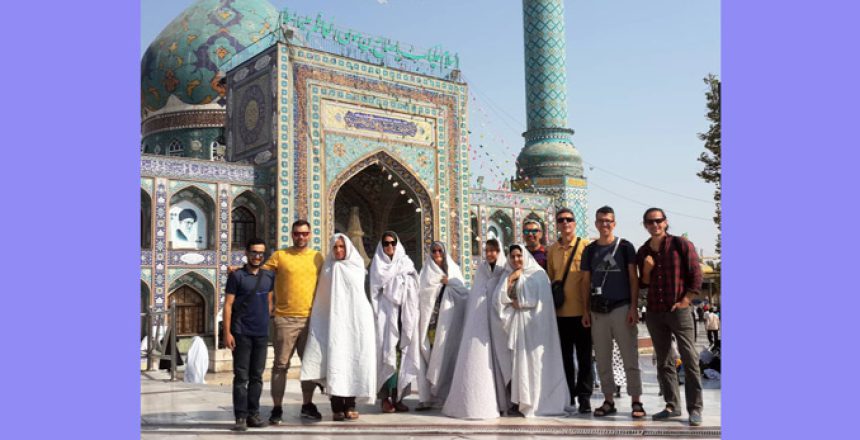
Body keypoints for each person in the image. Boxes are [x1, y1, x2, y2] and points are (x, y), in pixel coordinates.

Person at [636, 208, 704, 426]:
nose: (655, 225)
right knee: (663, 361)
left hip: (679, 310)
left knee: (690, 359)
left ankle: (695, 408)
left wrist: (685, 301)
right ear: (645, 224)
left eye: (658, 221)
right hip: (656, 312)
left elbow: (696, 274)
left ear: (665, 222)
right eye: (650, 222)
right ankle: (672, 405)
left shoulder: (680, 244)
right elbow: (643, 284)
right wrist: (646, 270)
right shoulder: (643, 251)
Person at [300, 234, 377, 421]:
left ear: (348, 248)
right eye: (335, 247)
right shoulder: (328, 268)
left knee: (352, 361)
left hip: (355, 323)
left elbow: (358, 295)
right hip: (333, 323)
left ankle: (350, 405)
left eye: (342, 247)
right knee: (334, 361)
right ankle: (336, 407)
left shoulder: (357, 266)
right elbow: (323, 301)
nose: (339, 250)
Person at [581, 206, 645, 419]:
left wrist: (633, 307)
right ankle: (608, 400)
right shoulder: (590, 251)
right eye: (601, 221)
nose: (605, 224)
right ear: (596, 224)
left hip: (621, 307)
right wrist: (585, 310)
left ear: (614, 223)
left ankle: (636, 400)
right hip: (598, 311)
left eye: (608, 221)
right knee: (602, 358)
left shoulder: (625, 247)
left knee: (630, 357)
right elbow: (585, 281)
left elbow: (633, 278)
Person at [496, 244, 569, 417]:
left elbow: (542, 303)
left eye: (519, 256)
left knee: (535, 366)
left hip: (537, 329)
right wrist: (511, 279)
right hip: (518, 328)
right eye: (512, 256)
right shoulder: (508, 275)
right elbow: (499, 300)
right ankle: (522, 401)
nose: (516, 260)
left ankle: (537, 401)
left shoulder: (538, 275)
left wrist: (522, 303)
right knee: (520, 366)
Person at [264, 220, 325, 424]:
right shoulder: (280, 256)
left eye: (305, 234)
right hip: (285, 319)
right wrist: (239, 269)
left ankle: (307, 405)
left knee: (309, 365)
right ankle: (277, 408)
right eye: (297, 234)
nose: (301, 237)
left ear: (310, 235)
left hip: (310, 319)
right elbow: (260, 275)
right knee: (280, 365)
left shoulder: (317, 257)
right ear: (292, 234)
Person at [443, 239, 511, 419]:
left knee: (501, 361)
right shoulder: (481, 270)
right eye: (487, 251)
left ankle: (505, 402)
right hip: (481, 324)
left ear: (499, 252)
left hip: (499, 323)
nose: (490, 254)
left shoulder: (505, 269)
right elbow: (476, 295)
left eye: (493, 251)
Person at [223, 238, 275, 431]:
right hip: (242, 333)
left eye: (261, 253)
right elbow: (228, 305)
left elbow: (269, 301)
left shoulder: (269, 276)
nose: (257, 256)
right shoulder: (237, 277)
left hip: (261, 333)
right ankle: (240, 417)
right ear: (246, 253)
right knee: (241, 377)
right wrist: (227, 332)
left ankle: (254, 414)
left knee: (257, 376)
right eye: (254, 252)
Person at [546, 208, 592, 413]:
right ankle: (568, 395)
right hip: (560, 314)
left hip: (582, 313)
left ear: (575, 222)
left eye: (569, 220)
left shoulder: (586, 246)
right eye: (561, 220)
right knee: (564, 357)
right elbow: (550, 278)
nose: (565, 223)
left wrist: (588, 311)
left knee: (584, 358)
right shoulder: (552, 250)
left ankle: (584, 397)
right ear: (556, 224)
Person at [368, 231, 420, 413]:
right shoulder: (377, 264)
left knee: (402, 357)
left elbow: (415, 282)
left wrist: (400, 283)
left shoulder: (406, 262)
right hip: (384, 316)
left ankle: (399, 397)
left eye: (392, 243)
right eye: (386, 244)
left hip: (403, 316)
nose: (389, 247)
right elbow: (375, 290)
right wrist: (398, 282)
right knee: (385, 355)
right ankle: (384, 399)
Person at [419, 241, 471, 409]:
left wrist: (451, 283)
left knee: (448, 357)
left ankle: (446, 394)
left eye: (440, 250)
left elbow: (464, 293)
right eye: (433, 251)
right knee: (432, 357)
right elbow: (421, 294)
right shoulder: (426, 272)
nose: (437, 254)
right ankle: (431, 395)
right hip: (432, 323)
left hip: (450, 323)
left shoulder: (454, 270)